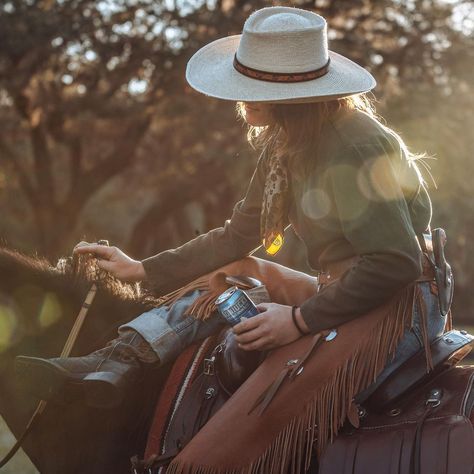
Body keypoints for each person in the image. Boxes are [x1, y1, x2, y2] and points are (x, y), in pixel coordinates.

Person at [16, 6, 446, 410]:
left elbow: (395, 262)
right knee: (225, 286)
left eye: (258, 88)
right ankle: (114, 361)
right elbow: (239, 235)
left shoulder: (355, 145)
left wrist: (298, 320)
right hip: (341, 290)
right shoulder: (287, 143)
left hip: (397, 310)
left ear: (299, 93)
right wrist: (141, 269)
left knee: (277, 410)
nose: (243, 99)